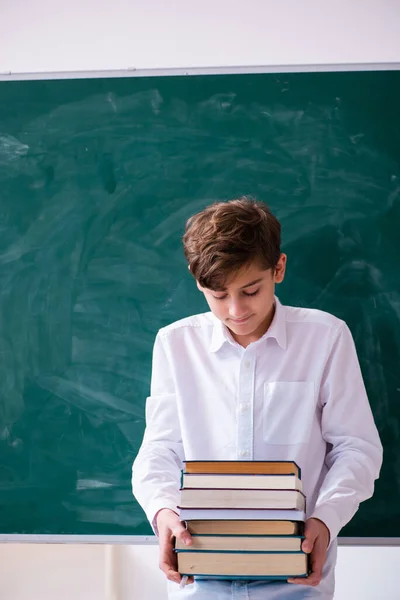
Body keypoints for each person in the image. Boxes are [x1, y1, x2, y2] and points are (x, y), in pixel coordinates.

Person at [132, 197, 383, 599]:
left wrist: (326, 519)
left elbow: (357, 447)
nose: (235, 310)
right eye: (216, 295)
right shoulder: (175, 343)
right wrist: (162, 511)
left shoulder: (326, 337)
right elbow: (160, 449)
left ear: (278, 268)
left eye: (250, 290)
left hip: (297, 577)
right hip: (200, 576)